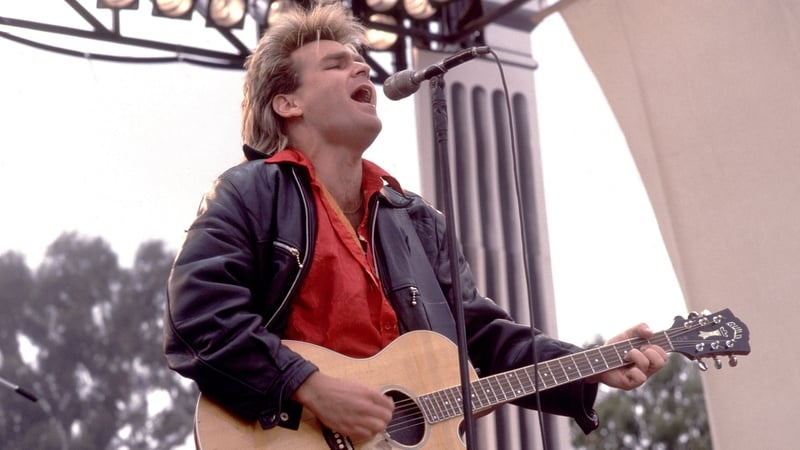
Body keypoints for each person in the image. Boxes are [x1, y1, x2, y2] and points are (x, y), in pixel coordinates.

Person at [163, 2, 668, 444]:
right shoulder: (250, 193)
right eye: (336, 64)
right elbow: (198, 316)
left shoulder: (417, 220)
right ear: (288, 103)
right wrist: (312, 389)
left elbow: (485, 338)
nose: (361, 66)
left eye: (360, 58)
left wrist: (591, 364)